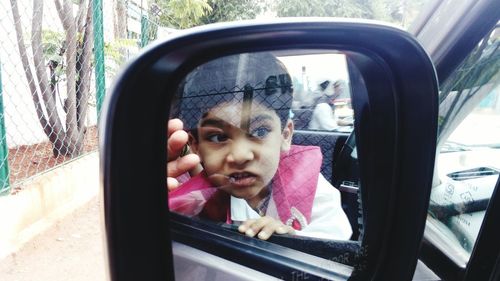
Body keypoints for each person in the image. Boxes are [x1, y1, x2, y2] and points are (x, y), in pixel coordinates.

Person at [168, 52, 352, 241]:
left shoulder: (311, 185)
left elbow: (335, 241)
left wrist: (292, 238)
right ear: (195, 146)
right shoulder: (188, 196)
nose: (240, 156)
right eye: (218, 137)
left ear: (285, 135)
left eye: (260, 132)